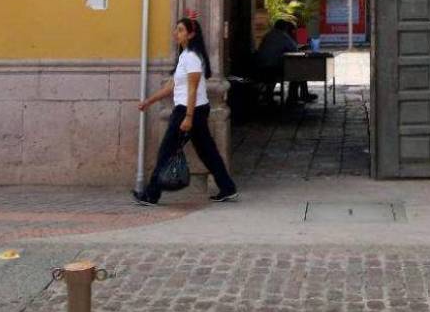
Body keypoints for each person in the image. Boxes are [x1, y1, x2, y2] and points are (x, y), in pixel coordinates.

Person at [133, 15, 238, 205]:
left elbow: (192, 89)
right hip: (193, 110)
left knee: (166, 151)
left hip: (189, 111)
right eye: (177, 29)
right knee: (207, 151)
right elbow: (172, 86)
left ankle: (151, 194)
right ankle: (227, 187)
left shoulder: (192, 58)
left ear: (191, 34)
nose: (176, 33)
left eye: (181, 30)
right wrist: (149, 101)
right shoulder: (184, 56)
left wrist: (188, 117)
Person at [254, 18, 317, 104]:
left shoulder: (268, 35)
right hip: (272, 68)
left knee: (294, 70)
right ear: (285, 28)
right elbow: (294, 49)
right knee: (298, 72)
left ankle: (300, 95)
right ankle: (294, 97)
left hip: (260, 67)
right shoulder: (283, 36)